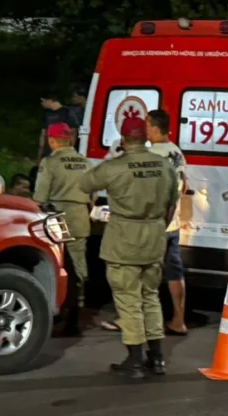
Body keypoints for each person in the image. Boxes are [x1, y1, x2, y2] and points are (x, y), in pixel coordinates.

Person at [79, 116, 180, 378]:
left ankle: (134, 359)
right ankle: (157, 358)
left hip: (124, 238)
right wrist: (158, 226)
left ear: (123, 139)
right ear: (145, 137)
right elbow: (172, 203)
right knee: (150, 297)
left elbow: (85, 183)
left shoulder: (116, 166)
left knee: (128, 300)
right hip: (154, 237)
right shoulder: (164, 165)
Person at [33, 122, 94, 335]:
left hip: (57, 218)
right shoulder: (85, 162)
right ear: (70, 139)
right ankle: (76, 313)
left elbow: (40, 196)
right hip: (80, 216)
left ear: (51, 140)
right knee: (78, 266)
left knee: (56, 264)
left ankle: (59, 309)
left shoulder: (50, 162)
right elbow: (93, 195)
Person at [146, 109, 189, 336]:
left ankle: (140, 322)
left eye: (147, 126)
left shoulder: (152, 153)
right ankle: (178, 319)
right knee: (174, 273)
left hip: (156, 223)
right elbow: (184, 185)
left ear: (154, 127)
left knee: (146, 273)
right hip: (173, 224)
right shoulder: (177, 153)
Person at [38, 91, 80, 164]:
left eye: (43, 101)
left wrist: (69, 152)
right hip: (48, 152)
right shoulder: (46, 114)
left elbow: (73, 133)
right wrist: (40, 152)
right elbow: (43, 134)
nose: (42, 104)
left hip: (62, 151)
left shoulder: (68, 112)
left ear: (50, 100)